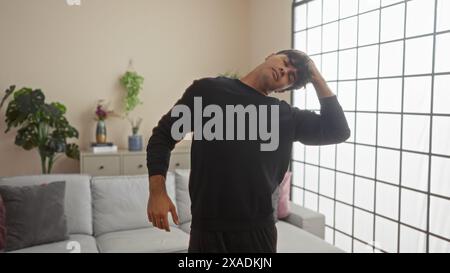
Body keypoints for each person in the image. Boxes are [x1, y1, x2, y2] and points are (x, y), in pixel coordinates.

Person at [146, 49, 350, 253]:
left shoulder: (286, 117)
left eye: (291, 75)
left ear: (284, 89)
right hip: (207, 230)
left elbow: (338, 130)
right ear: (270, 55)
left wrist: (314, 74)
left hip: (258, 234)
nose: (284, 70)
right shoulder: (208, 91)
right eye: (285, 62)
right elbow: (162, 137)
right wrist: (157, 191)